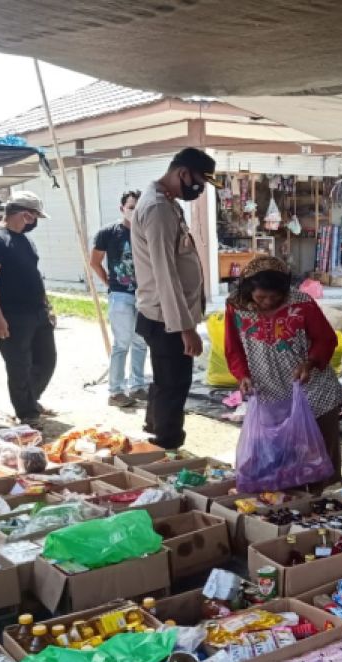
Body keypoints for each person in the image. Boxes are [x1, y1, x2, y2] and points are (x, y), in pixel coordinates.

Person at [225, 256, 342, 489]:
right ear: (249, 289)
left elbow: (326, 339)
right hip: (270, 392)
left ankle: (321, 502)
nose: (268, 302)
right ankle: (293, 505)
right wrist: (243, 376)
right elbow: (233, 348)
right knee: (283, 461)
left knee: (318, 454)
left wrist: (309, 363)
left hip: (312, 390)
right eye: (261, 297)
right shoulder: (235, 306)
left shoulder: (301, 302)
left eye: (274, 297)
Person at [132, 147, 217, 449]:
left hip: (162, 314)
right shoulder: (157, 208)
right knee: (174, 384)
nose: (200, 189)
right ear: (182, 173)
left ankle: (156, 429)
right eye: (199, 182)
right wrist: (185, 328)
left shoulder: (166, 203)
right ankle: (167, 445)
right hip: (166, 318)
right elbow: (165, 272)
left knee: (164, 378)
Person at [0, 191, 56, 426]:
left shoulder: (25, 239)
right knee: (19, 365)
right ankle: (27, 413)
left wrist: (48, 307)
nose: (35, 223)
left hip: (37, 311)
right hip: (13, 314)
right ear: (25, 215)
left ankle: (31, 399)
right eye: (34, 217)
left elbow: (34, 275)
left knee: (47, 360)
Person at [90, 190, 148, 408]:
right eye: (131, 207)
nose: (135, 211)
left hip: (144, 295)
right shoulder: (108, 233)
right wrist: (110, 284)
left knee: (141, 342)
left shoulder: (147, 232)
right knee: (122, 344)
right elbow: (95, 261)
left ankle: (138, 386)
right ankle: (115, 391)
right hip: (121, 295)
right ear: (122, 208)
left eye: (139, 207)